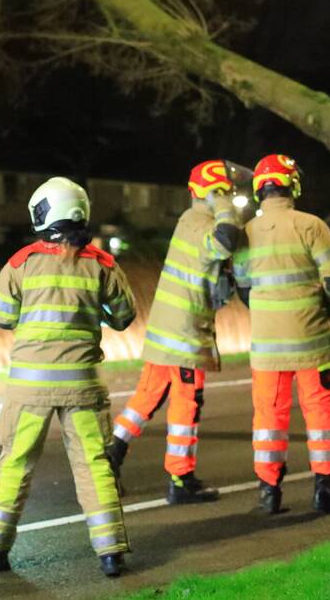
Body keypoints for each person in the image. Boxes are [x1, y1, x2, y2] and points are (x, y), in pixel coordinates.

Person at [0, 177, 136, 578]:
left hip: (30, 389)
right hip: (82, 386)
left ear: (43, 213)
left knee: (15, 462)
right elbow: (124, 316)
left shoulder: (21, 262)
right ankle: (111, 553)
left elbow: (0, 316)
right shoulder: (102, 263)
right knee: (94, 465)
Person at [106, 160, 250, 504]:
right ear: (215, 191)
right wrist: (223, 202)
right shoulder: (202, 223)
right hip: (184, 335)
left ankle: (111, 454)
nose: (230, 196)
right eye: (225, 190)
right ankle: (180, 478)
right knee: (187, 404)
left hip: (168, 332)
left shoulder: (190, 220)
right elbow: (226, 240)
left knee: (147, 398)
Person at [240, 154, 330, 515]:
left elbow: (242, 288)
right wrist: (326, 305)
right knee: (321, 415)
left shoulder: (246, 233)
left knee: (268, 419)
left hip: (266, 349)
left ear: (259, 189)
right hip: (312, 341)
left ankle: (268, 493)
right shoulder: (311, 225)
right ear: (293, 185)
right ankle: (328, 490)